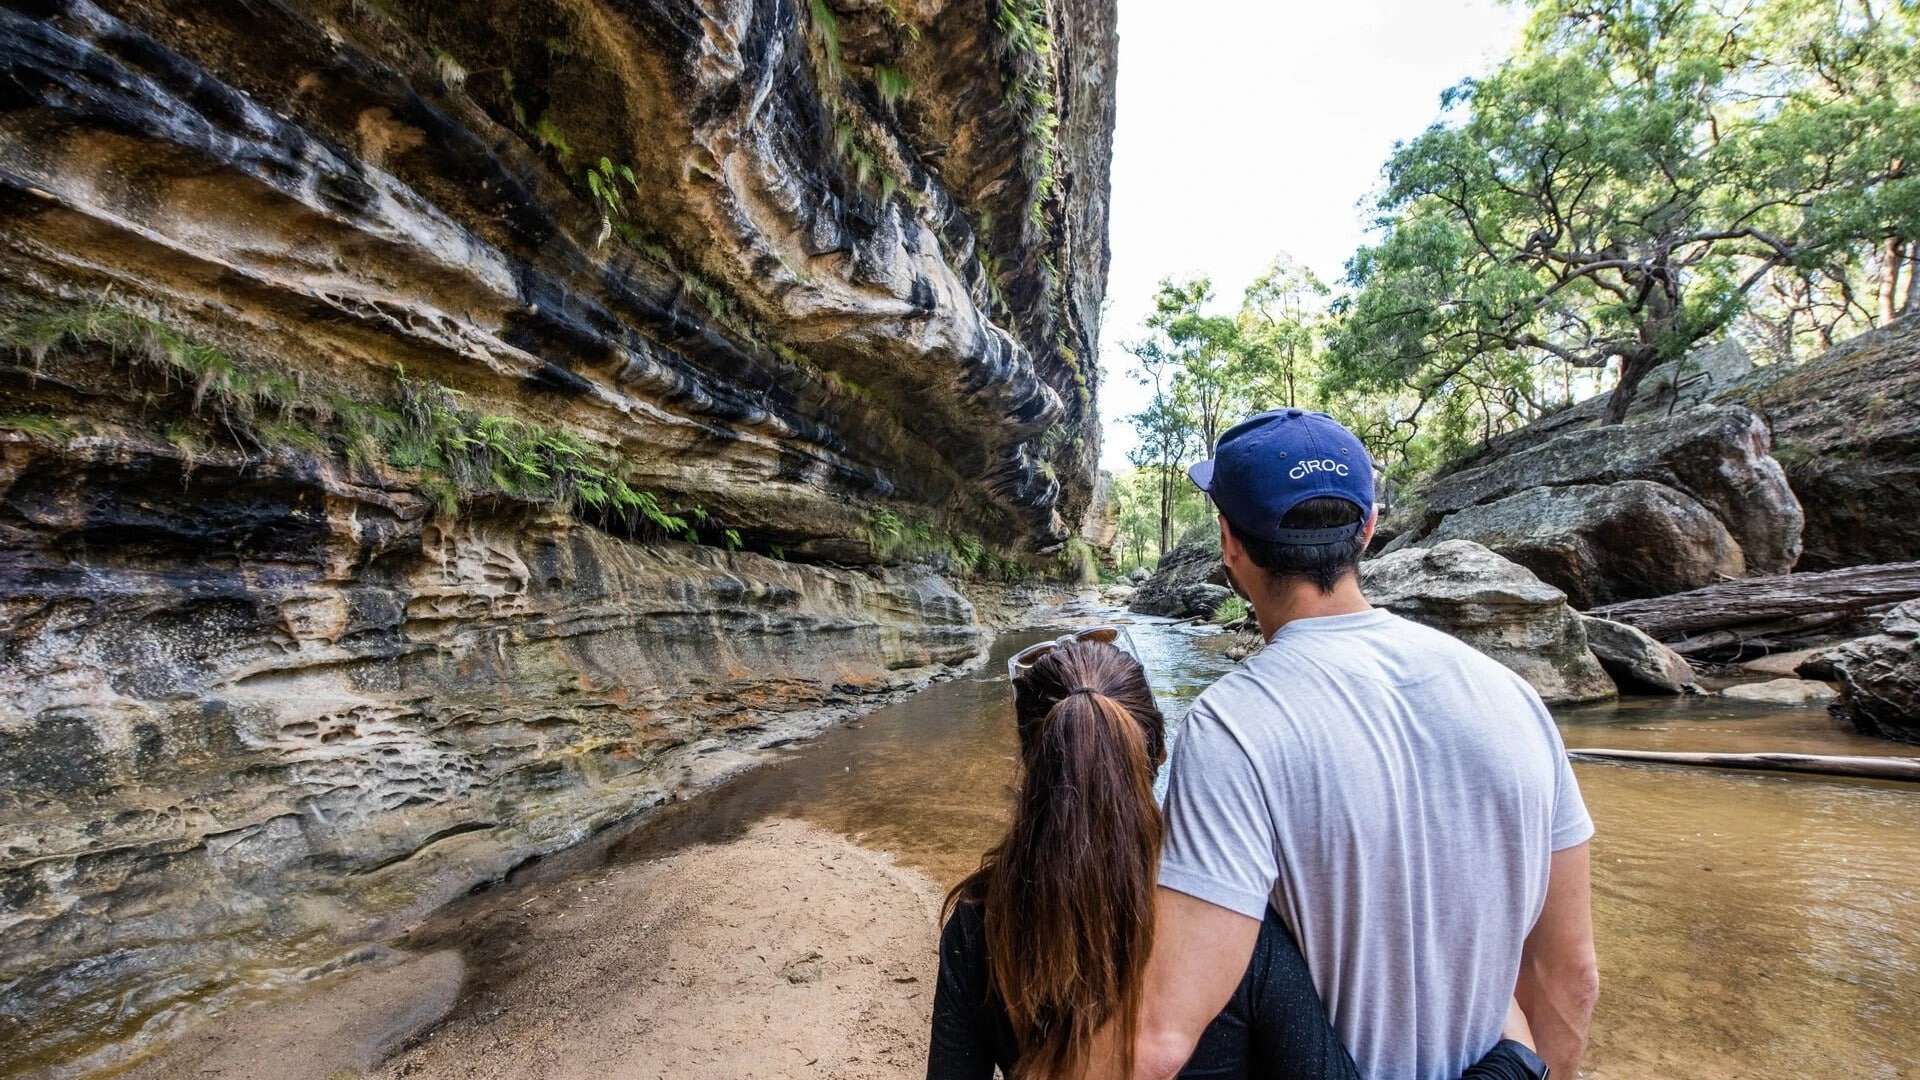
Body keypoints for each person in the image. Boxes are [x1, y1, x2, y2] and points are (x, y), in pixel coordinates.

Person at [1132, 409, 1599, 1080]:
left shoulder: (1230, 726)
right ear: (1369, 529)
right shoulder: (1513, 697)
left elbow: (1163, 1038)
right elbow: (1570, 974)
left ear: (1230, 544)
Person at [926, 633, 1548, 1080]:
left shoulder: (978, 925)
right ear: (1159, 758)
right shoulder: (1231, 931)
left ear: (1031, 763)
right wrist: (1516, 1058)